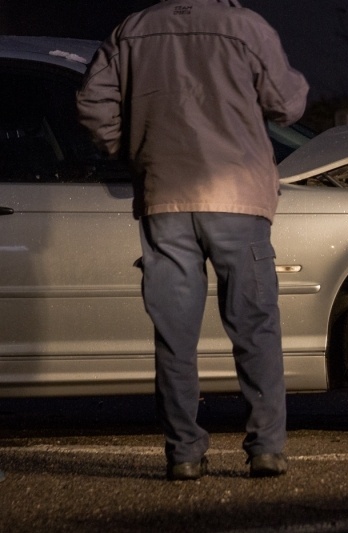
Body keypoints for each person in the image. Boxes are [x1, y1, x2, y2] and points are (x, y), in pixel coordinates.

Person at [76, 0, 308, 481]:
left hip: (165, 197)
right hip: (238, 198)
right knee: (255, 328)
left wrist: (137, 151)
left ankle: (184, 453)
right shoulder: (245, 27)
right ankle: (265, 448)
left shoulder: (131, 29)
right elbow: (287, 105)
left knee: (175, 336)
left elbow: (92, 104)